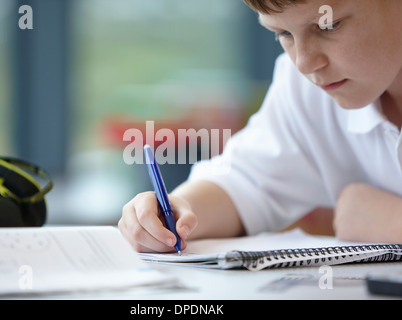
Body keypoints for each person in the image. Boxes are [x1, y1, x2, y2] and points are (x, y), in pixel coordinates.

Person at [118, 0, 402, 253]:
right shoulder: (306, 89)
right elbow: (247, 182)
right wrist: (177, 211)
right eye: (284, 34)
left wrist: (390, 222)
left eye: (329, 26)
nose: (304, 63)